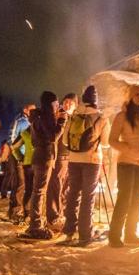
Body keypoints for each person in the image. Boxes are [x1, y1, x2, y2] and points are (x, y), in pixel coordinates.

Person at [60, 85, 111, 246]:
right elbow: (105, 142)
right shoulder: (101, 118)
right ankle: (85, 234)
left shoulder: (75, 115)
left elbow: (65, 141)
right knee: (88, 197)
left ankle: (69, 232)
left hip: (74, 159)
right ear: (96, 100)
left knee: (73, 194)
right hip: (92, 160)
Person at [107, 84, 139, 247]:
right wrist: (127, 148)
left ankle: (130, 233)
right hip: (126, 163)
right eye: (137, 95)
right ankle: (114, 235)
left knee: (137, 200)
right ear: (131, 97)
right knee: (124, 199)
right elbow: (112, 140)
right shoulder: (122, 116)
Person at [22, 92, 68, 239]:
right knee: (40, 191)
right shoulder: (44, 118)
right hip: (44, 157)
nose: (57, 107)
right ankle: (36, 226)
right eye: (55, 104)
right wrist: (61, 122)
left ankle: (36, 223)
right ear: (50, 104)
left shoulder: (38, 117)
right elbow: (53, 137)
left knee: (39, 191)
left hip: (40, 156)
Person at [46, 93, 76, 228]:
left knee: (66, 188)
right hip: (59, 156)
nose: (67, 104)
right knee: (55, 186)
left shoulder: (75, 118)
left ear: (76, 104)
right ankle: (53, 217)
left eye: (71, 102)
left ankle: (61, 214)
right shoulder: (59, 116)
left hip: (71, 157)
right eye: (66, 102)